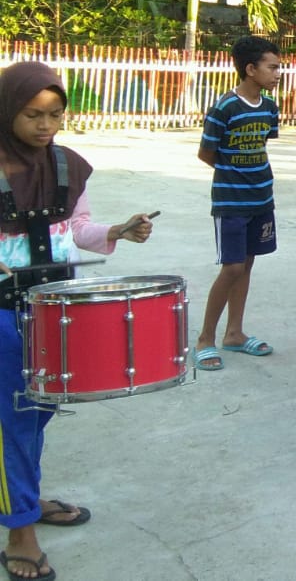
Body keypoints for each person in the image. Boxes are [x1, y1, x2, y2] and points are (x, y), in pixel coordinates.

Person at [0, 62, 155, 579]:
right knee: (10, 422)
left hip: (52, 309)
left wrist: (119, 229)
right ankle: (20, 527)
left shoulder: (67, 165)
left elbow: (78, 229)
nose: (45, 126)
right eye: (32, 115)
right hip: (3, 313)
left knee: (38, 411)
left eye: (55, 115)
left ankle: (25, 496)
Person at [194, 36, 282, 371]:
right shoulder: (224, 107)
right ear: (250, 69)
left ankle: (235, 333)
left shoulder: (270, 107)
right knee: (231, 267)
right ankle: (205, 338)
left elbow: (263, 144)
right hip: (231, 200)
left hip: (262, 197)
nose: (277, 73)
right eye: (271, 67)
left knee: (246, 264)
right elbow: (206, 153)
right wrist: (232, 173)